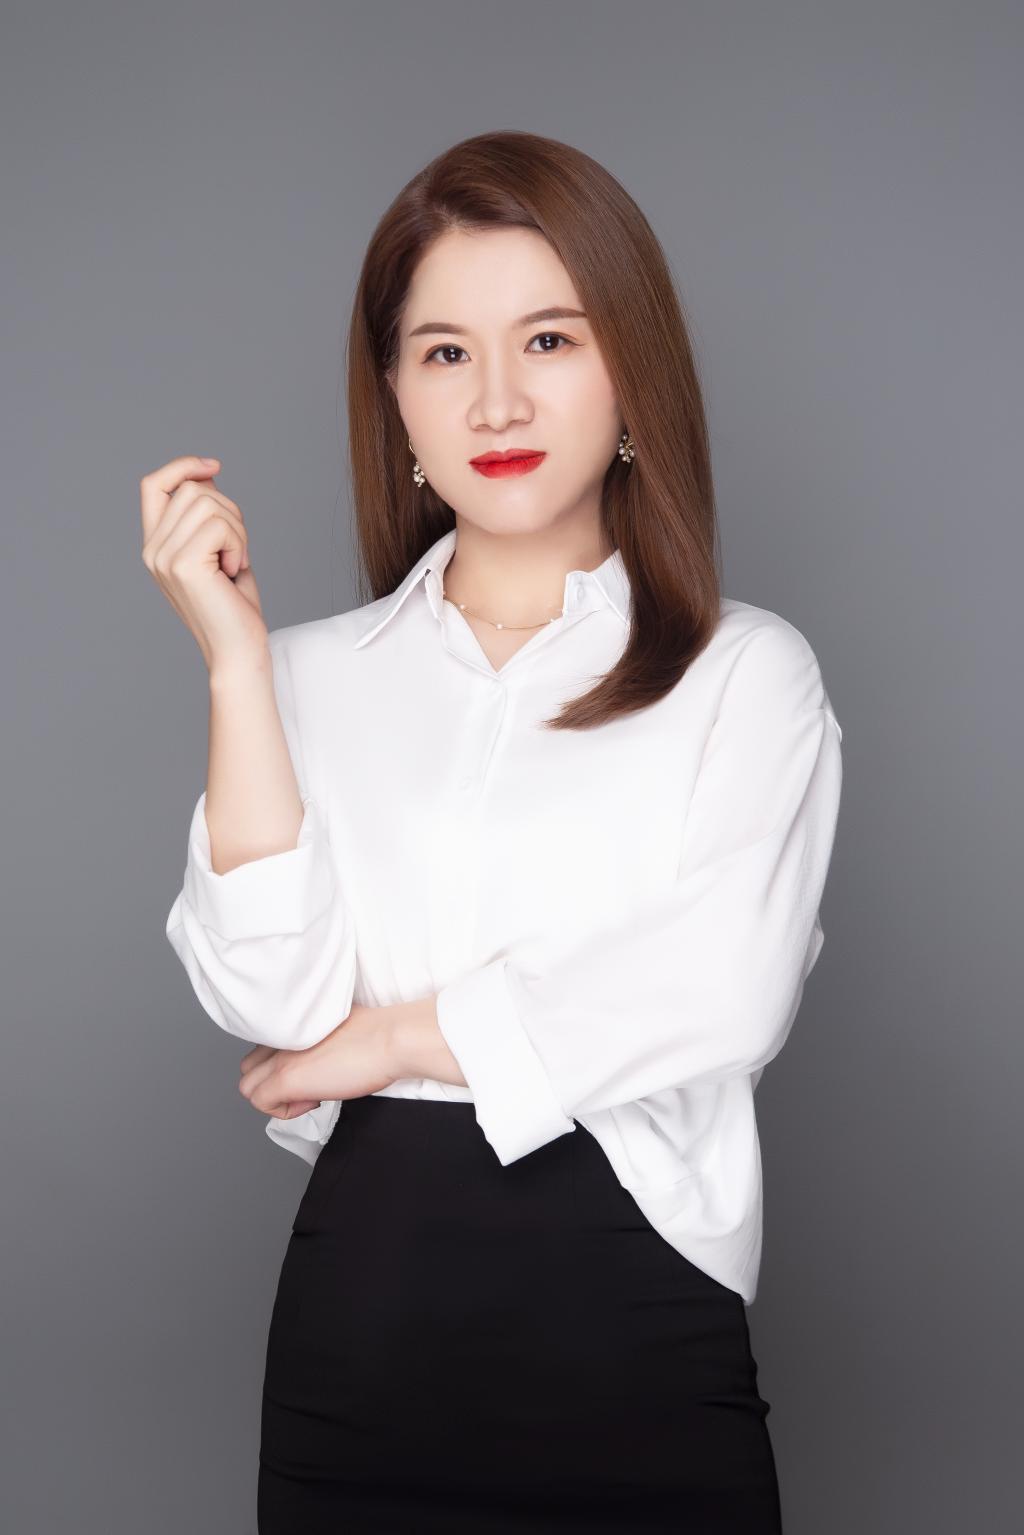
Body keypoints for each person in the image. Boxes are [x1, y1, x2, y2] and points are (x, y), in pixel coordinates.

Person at [147, 129, 843, 1533]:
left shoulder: (744, 673)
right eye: (446, 353)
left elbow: (727, 990)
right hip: (360, 1348)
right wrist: (233, 666)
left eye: (550, 339)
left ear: (631, 372)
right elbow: (273, 997)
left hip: (642, 1333)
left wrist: (389, 1042)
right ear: (396, 398)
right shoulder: (306, 677)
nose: (498, 398)